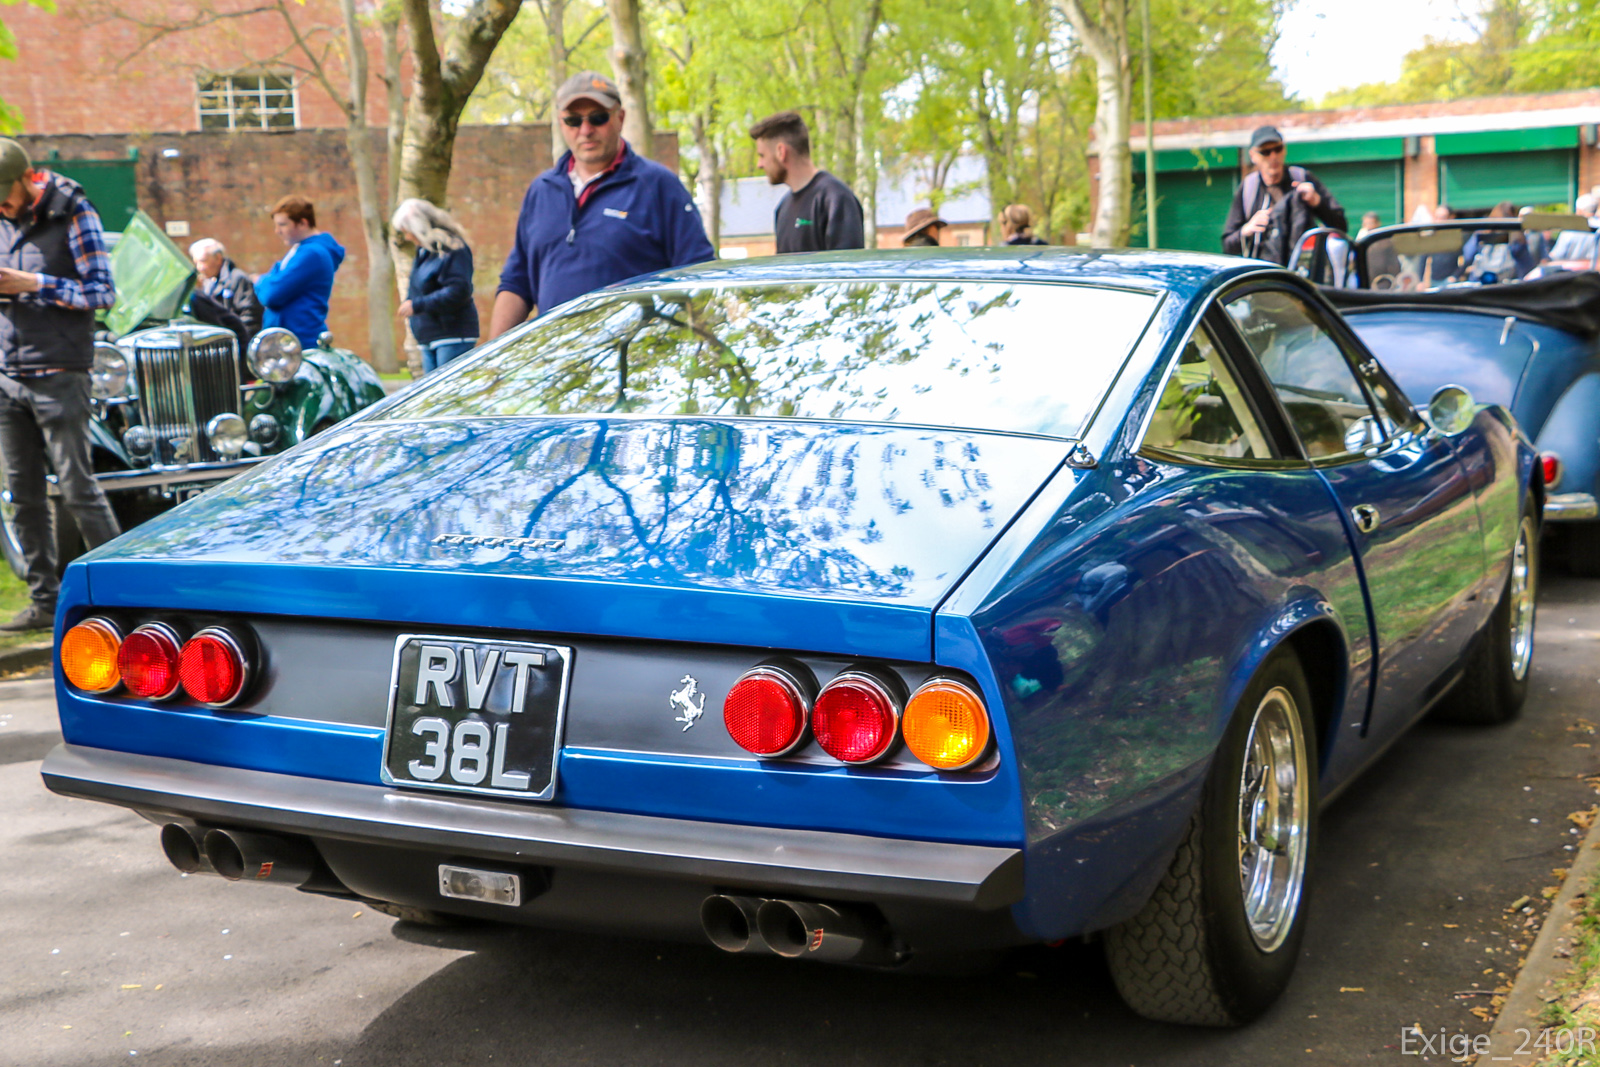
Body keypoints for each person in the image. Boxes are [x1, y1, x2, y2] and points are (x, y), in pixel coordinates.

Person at [490, 71, 714, 340]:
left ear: (620, 118)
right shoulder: (541, 191)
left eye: (598, 118)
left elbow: (700, 278)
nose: (585, 130)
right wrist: (489, 366)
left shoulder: (659, 186)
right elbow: (517, 282)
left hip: (636, 360)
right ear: (561, 124)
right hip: (555, 362)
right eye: (573, 120)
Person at [0, 138, 122, 630]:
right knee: (22, 494)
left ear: (27, 179)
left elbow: (103, 292)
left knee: (77, 487)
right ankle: (44, 601)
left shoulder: (73, 212)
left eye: (3, 196)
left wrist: (35, 284)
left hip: (60, 374)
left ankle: (121, 589)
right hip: (9, 377)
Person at [1222, 126, 1348, 266]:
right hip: (1264, 277)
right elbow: (1227, 245)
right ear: (1253, 156)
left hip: (1302, 274)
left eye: (1278, 149)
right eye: (1266, 152)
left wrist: (1317, 202)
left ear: (1285, 149)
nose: (1273, 156)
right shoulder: (1248, 188)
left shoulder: (1302, 178)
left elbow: (1341, 226)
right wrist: (1246, 230)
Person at [749, 111, 864, 254]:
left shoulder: (835, 199)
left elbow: (847, 270)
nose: (759, 164)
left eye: (762, 155)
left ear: (781, 152)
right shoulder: (783, 208)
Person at [392, 198, 479, 373]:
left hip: (452, 336)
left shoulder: (452, 249)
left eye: (408, 232)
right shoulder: (424, 251)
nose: (408, 237)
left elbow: (458, 290)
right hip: (429, 337)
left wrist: (417, 305)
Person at [253, 195, 344, 350]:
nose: (277, 231)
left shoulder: (311, 253)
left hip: (300, 342)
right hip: (290, 342)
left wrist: (259, 280)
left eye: (282, 225)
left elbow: (271, 295)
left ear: (303, 223)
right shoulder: (301, 250)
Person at [189, 237, 262, 341]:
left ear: (218, 258)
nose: (199, 268)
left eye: (203, 261)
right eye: (196, 263)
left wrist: (239, 344)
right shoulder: (209, 282)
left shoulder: (238, 279)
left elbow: (250, 316)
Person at [1548, 193, 1598, 265]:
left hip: (1572, 273)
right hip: (1595, 272)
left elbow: (1557, 255)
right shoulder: (1598, 228)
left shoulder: (1570, 230)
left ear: (1579, 210)